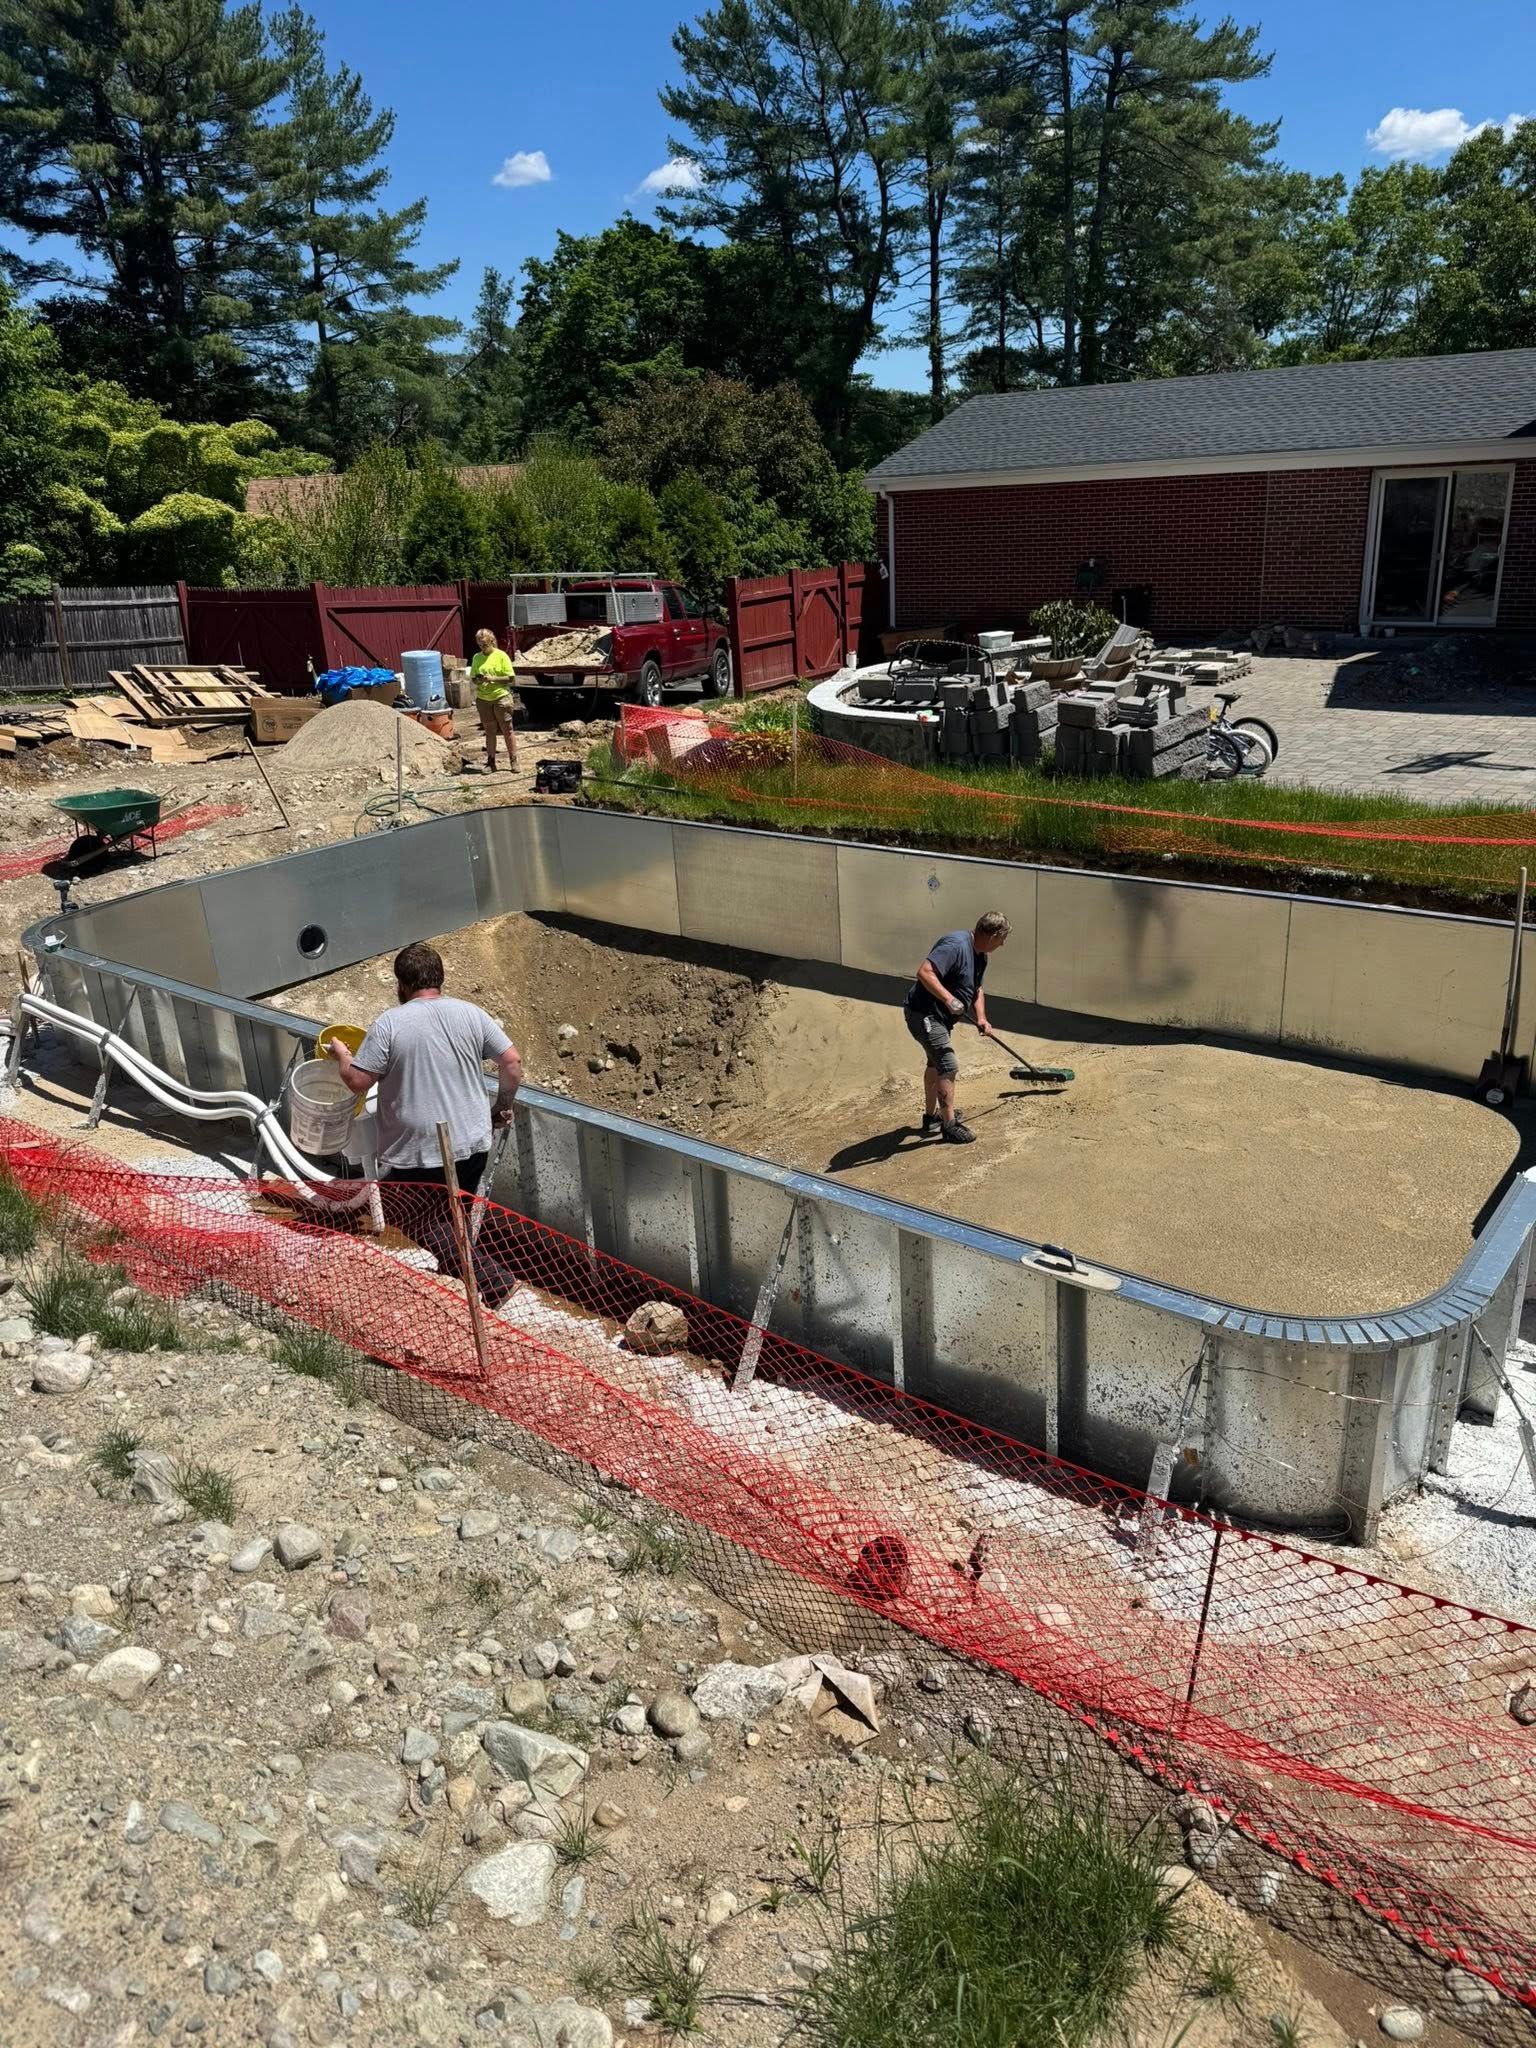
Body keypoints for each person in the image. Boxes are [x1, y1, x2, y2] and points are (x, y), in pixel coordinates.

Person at [326, 942, 524, 1305]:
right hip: (472, 1139)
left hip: (421, 1148)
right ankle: (457, 1281)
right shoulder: (471, 1014)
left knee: (412, 1214)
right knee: (454, 1216)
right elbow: (511, 1062)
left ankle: (493, 1280)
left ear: (402, 984)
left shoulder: (390, 1023)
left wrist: (342, 1056)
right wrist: (501, 1106)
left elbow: (358, 1081)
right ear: (440, 979)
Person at [903, 911, 1012, 1144]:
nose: (1003, 944)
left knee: (935, 1063)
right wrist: (949, 999)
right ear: (992, 935)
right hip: (924, 1014)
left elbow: (977, 989)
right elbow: (924, 972)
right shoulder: (955, 945)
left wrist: (982, 1018)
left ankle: (931, 1117)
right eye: (1002, 939)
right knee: (947, 1063)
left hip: (939, 1018)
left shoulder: (981, 955)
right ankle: (949, 1126)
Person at [471, 627, 518, 773]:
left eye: (484, 644)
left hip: (501, 697)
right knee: (489, 730)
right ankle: (491, 762)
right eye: (480, 644)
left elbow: (510, 678)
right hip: (483, 698)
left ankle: (514, 760)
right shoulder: (477, 658)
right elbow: (473, 677)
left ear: (492, 641)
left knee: (507, 730)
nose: (482, 647)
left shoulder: (501, 656)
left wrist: (493, 679)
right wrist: (478, 680)